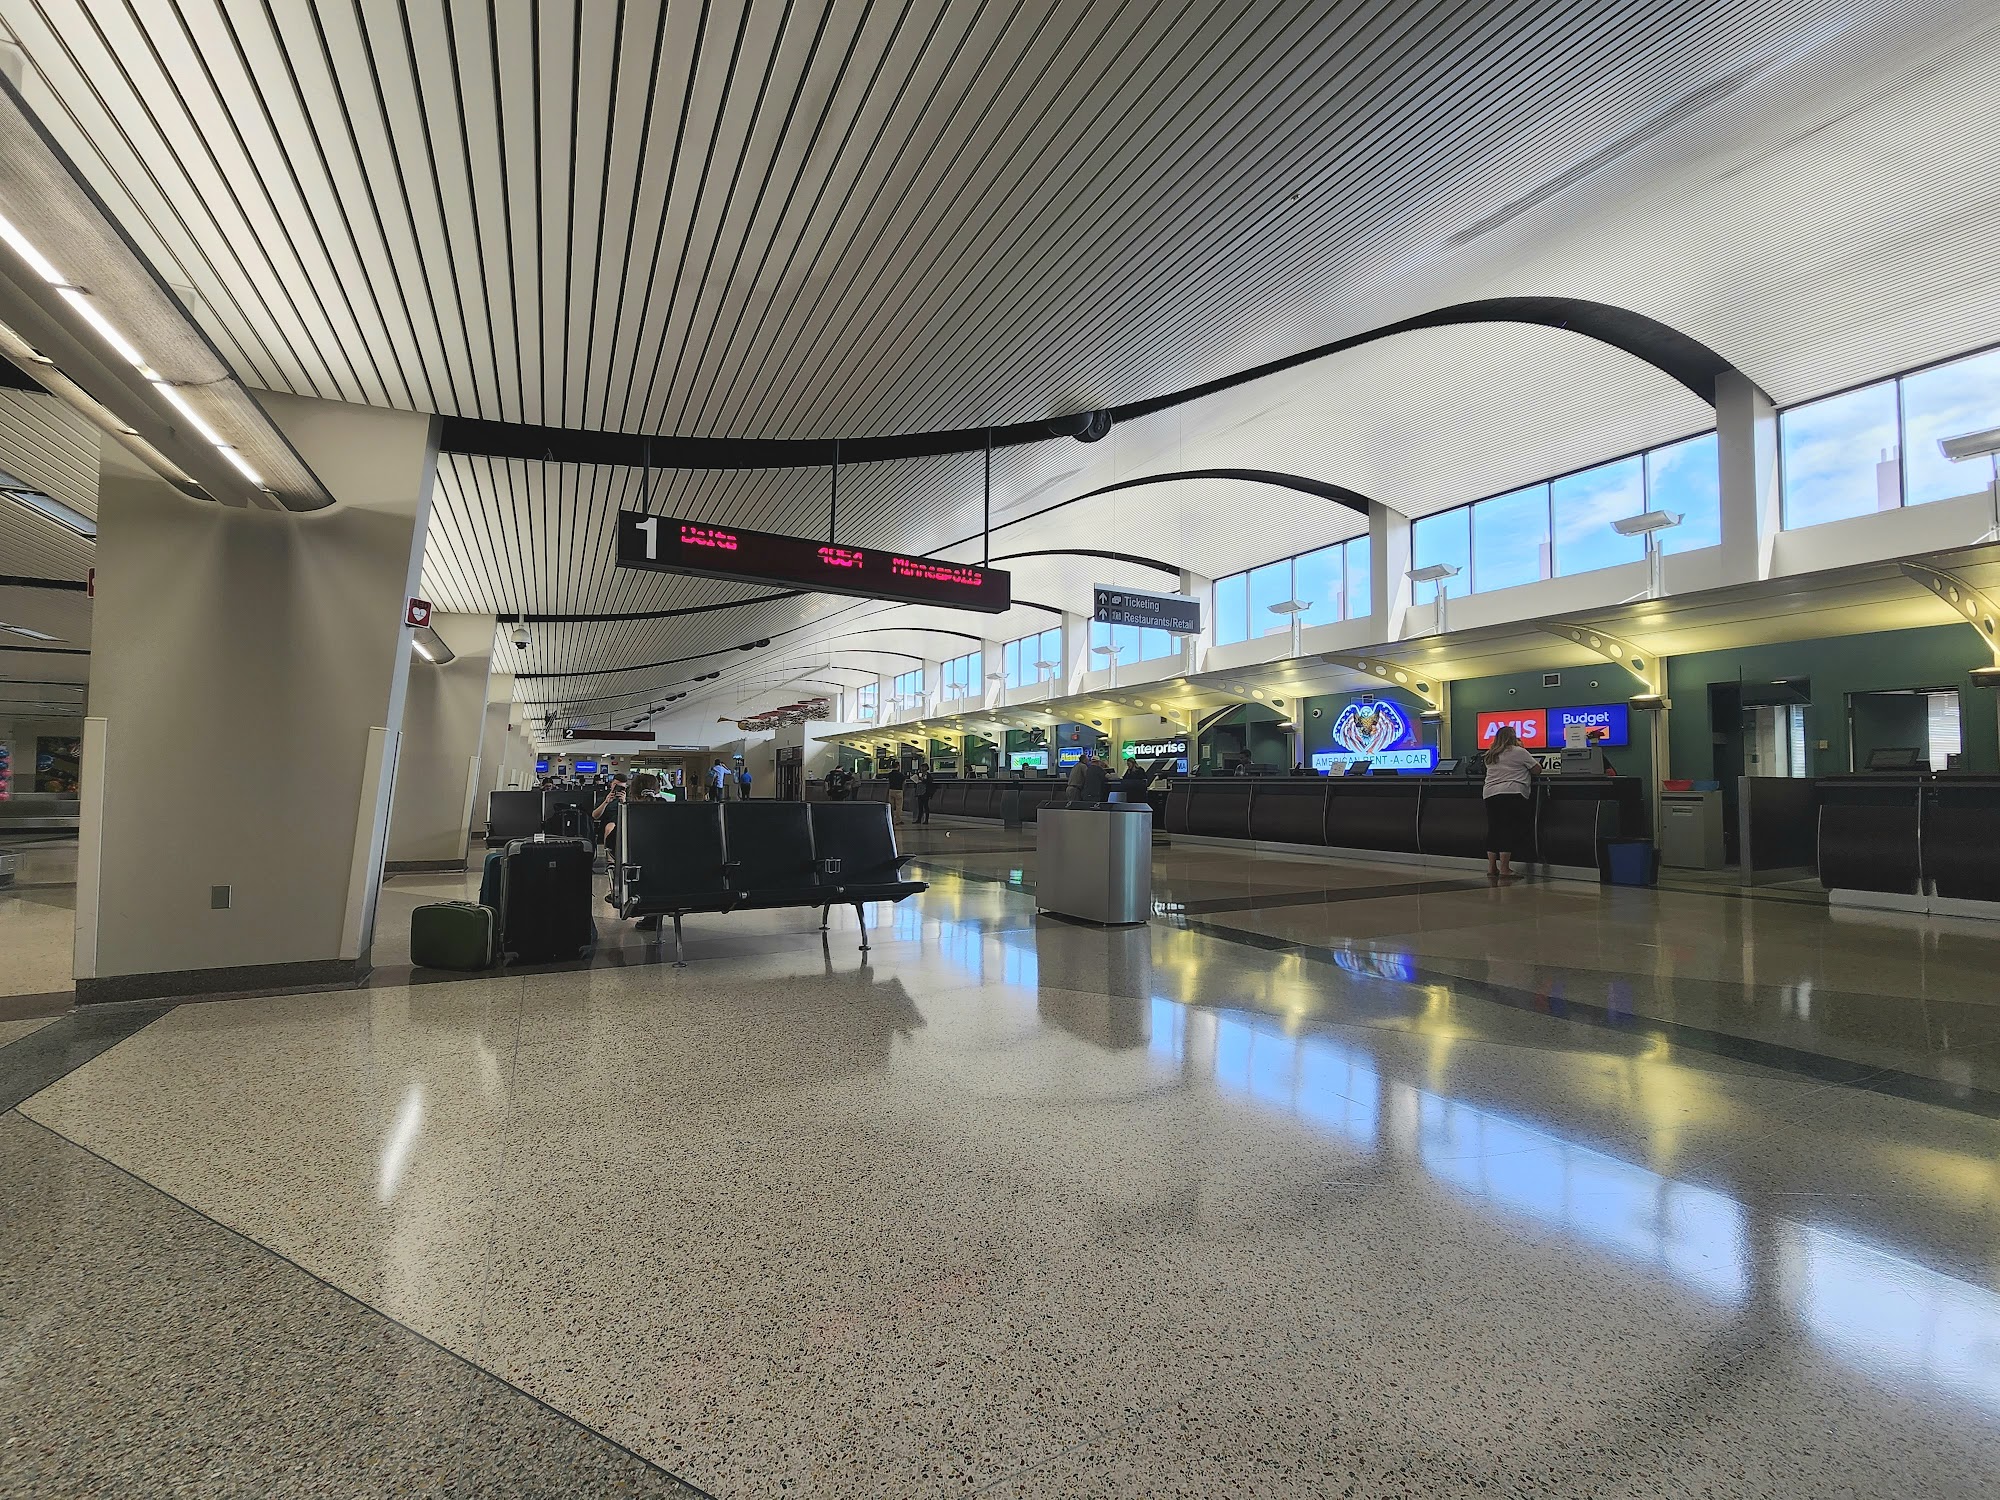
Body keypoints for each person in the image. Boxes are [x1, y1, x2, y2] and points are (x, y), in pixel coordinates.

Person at [1481, 725, 1539, 880]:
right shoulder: (1519, 751)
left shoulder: (1490, 754)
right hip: (1511, 792)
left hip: (1490, 794)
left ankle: (1491, 867)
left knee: (1494, 829)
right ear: (1513, 737)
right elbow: (1537, 769)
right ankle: (1505, 868)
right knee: (1507, 829)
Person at [592, 775, 628, 848]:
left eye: (621, 787)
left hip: (624, 824)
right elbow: (595, 816)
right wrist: (606, 802)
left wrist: (624, 802)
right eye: (615, 785)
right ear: (611, 784)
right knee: (610, 827)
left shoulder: (628, 800)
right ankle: (608, 852)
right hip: (607, 825)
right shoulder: (603, 798)